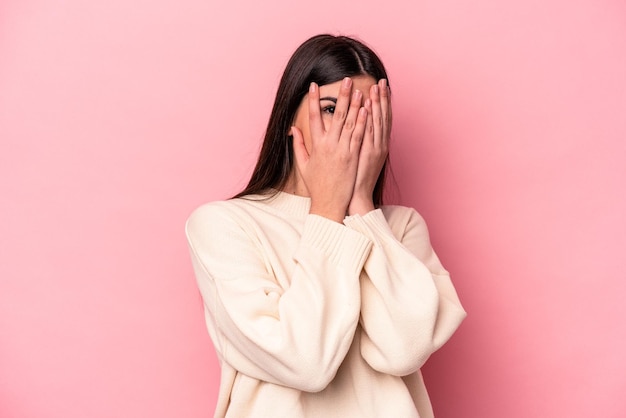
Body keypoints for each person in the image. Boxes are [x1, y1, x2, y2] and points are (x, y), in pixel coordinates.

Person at [185, 34, 466, 418]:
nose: (350, 128)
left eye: (367, 113)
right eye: (333, 108)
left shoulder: (400, 228)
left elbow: (403, 350)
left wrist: (363, 210)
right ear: (289, 118)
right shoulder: (225, 225)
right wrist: (329, 206)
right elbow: (305, 361)